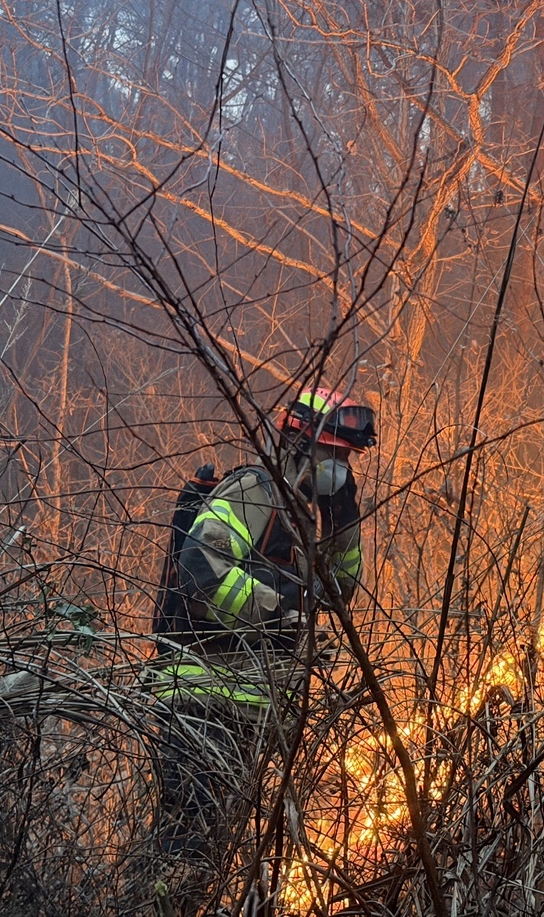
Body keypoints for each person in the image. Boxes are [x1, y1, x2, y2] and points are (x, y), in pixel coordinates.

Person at [150, 387, 376, 914]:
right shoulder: (256, 490)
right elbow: (200, 571)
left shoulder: (299, 513)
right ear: (300, 443)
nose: (339, 466)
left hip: (250, 708)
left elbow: (338, 595)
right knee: (183, 859)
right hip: (202, 701)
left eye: (346, 458)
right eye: (334, 455)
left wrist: (344, 518)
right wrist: (278, 608)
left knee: (213, 866)